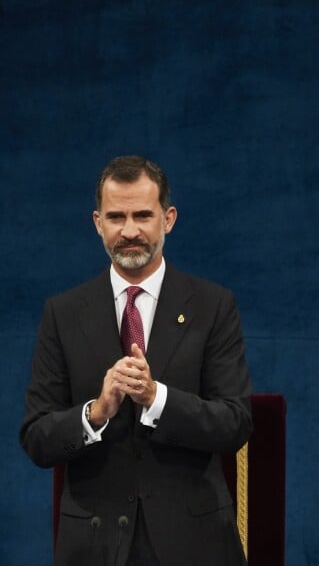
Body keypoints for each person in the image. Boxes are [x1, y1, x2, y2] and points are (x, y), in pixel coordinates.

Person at [20, 155, 252, 566]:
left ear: (169, 219)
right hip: (93, 545)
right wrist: (95, 412)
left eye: (143, 215)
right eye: (116, 217)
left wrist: (157, 398)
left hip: (193, 545)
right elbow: (37, 437)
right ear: (97, 223)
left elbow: (235, 423)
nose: (129, 231)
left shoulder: (214, 305)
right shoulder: (63, 312)